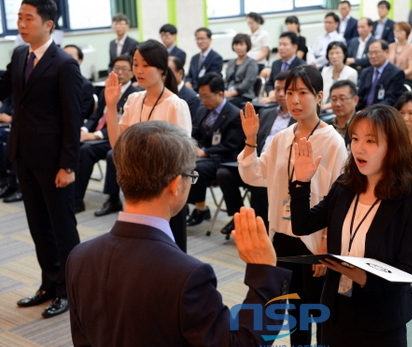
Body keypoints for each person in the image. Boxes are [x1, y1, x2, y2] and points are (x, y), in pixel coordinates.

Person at [66, 120, 292, 347]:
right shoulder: (187, 275)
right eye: (191, 176)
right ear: (175, 184)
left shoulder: (79, 256)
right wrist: (265, 274)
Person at [289, 104, 412, 347]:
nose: (359, 148)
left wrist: (360, 275)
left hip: (381, 320)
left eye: (370, 141)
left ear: (393, 147)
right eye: (354, 139)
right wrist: (302, 181)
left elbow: (407, 272)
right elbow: (302, 225)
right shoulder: (345, 187)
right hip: (336, 311)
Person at [238, 65, 347, 347]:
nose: (295, 100)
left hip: (314, 240)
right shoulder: (281, 137)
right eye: (290, 93)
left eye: (303, 93)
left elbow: (338, 197)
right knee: (287, 310)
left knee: (315, 312)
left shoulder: (332, 141)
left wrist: (325, 245)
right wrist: (250, 140)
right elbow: (255, 174)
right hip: (282, 236)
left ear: (319, 97)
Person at [0, 0, 82, 318]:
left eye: (28, 18)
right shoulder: (20, 54)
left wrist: (69, 165)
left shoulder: (64, 64)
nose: (21, 24)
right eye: (18, 17)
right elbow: (5, 86)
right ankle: (49, 284)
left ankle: (70, 291)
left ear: (48, 24)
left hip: (54, 161)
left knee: (62, 227)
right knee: (38, 226)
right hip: (25, 155)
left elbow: (71, 118)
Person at [102, 39, 192, 252]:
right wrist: (111, 106)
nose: (138, 70)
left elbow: (182, 156)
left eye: (145, 65)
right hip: (136, 186)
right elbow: (117, 145)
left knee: (171, 251)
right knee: (140, 248)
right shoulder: (133, 99)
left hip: (164, 188)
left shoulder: (175, 104)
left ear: (162, 69)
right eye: (135, 64)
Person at [217, 71, 296, 236]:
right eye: (277, 89)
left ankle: (260, 229)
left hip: (278, 169)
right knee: (224, 173)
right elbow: (253, 142)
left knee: (259, 184)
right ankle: (239, 216)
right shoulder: (267, 113)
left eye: (285, 90)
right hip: (257, 161)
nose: (280, 94)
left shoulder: (299, 119)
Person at [74, 55, 139, 214]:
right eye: (117, 68)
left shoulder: (135, 94)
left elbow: (123, 123)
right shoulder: (106, 90)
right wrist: (84, 131)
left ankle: (112, 199)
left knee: (92, 151)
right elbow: (95, 117)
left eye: (124, 69)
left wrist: (95, 135)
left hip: (120, 137)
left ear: (132, 72)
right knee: (75, 144)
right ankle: (73, 197)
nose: (120, 72)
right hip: (100, 134)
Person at [186, 73, 244, 227]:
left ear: (220, 93)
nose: (203, 100)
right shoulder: (201, 110)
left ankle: (199, 209)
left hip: (225, 158)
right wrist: (193, 146)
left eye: (207, 96)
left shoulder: (235, 114)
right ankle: (183, 207)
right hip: (202, 154)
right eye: (201, 96)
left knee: (197, 168)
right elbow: (194, 133)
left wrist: (205, 152)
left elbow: (232, 144)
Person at [357, 40, 406, 110]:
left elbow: (391, 99)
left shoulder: (396, 73)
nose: (373, 56)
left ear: (386, 52)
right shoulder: (365, 72)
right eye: (370, 53)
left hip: (383, 113)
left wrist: (371, 112)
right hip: (363, 112)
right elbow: (360, 96)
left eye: (376, 52)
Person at [262, 32, 305, 104]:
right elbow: (270, 83)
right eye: (280, 45)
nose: (281, 48)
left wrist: (278, 97)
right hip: (275, 101)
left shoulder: (302, 66)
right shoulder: (276, 63)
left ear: (295, 47)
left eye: (285, 45)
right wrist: (271, 92)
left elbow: (300, 89)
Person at [224, 33, 259, 108]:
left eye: (241, 45)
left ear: (247, 46)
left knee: (225, 105)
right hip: (229, 93)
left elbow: (247, 82)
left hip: (244, 95)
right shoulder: (231, 62)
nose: (238, 47)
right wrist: (224, 90)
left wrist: (232, 93)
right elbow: (226, 80)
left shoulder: (251, 63)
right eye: (236, 45)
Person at [321, 41, 358, 110]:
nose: (334, 56)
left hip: (340, 108)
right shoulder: (325, 70)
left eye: (337, 53)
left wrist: (323, 107)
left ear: (344, 55)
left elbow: (346, 98)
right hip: (322, 108)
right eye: (331, 53)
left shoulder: (351, 72)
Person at [185, 28, 223, 92]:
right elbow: (190, 75)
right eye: (198, 39)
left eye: (202, 38)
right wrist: (188, 82)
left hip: (206, 90)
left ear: (210, 40)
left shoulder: (216, 58)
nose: (200, 41)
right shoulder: (194, 58)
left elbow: (212, 78)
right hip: (192, 90)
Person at [63, 44, 94, 121]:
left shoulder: (86, 86)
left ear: (79, 61)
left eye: (70, 56)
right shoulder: (52, 80)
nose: (65, 60)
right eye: (63, 56)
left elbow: (80, 114)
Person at [327, 80, 359, 147]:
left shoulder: (362, 126)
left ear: (355, 100)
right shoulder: (325, 126)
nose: (338, 104)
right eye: (334, 99)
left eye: (343, 98)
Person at [388, 21, 412, 88]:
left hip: (405, 80)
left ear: (407, 33)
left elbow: (411, 69)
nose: (398, 33)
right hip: (390, 79)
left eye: (401, 31)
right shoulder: (390, 46)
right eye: (396, 31)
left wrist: (398, 75)